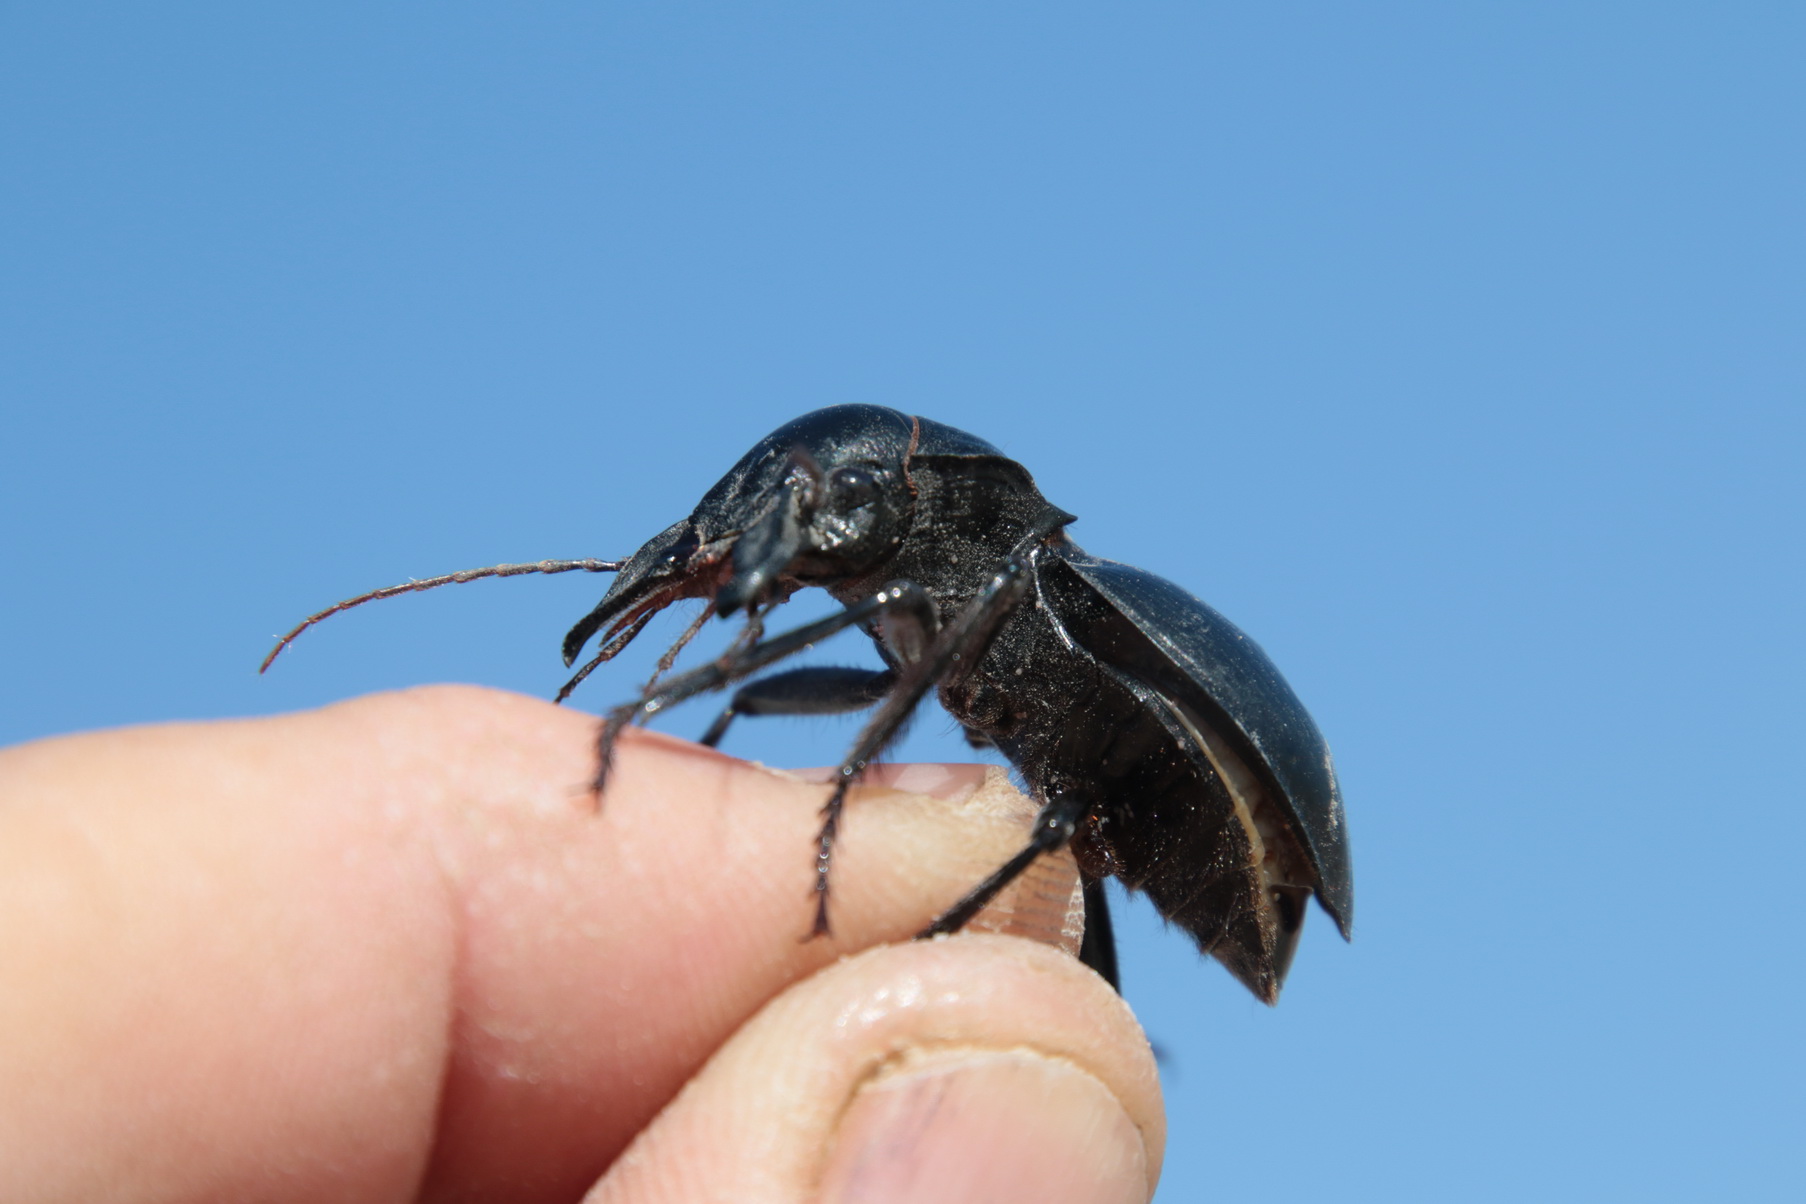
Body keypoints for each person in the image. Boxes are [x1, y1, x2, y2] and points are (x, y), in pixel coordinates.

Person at [0, 685, 1162, 1203]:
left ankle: (973, 986)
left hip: (1192, 784)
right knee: (1019, 847)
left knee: (1040, 843)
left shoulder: (991, 588)